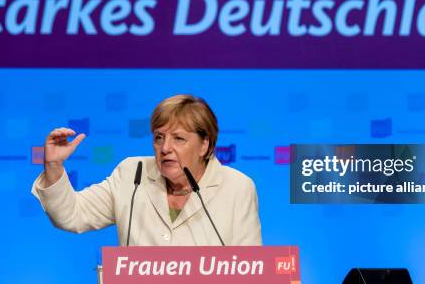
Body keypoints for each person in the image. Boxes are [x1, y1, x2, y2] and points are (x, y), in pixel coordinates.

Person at [31, 94, 262, 246]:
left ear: (205, 145)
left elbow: (252, 269)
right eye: (159, 137)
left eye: (179, 139)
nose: (165, 148)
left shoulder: (237, 187)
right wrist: (53, 165)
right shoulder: (132, 174)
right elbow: (72, 216)